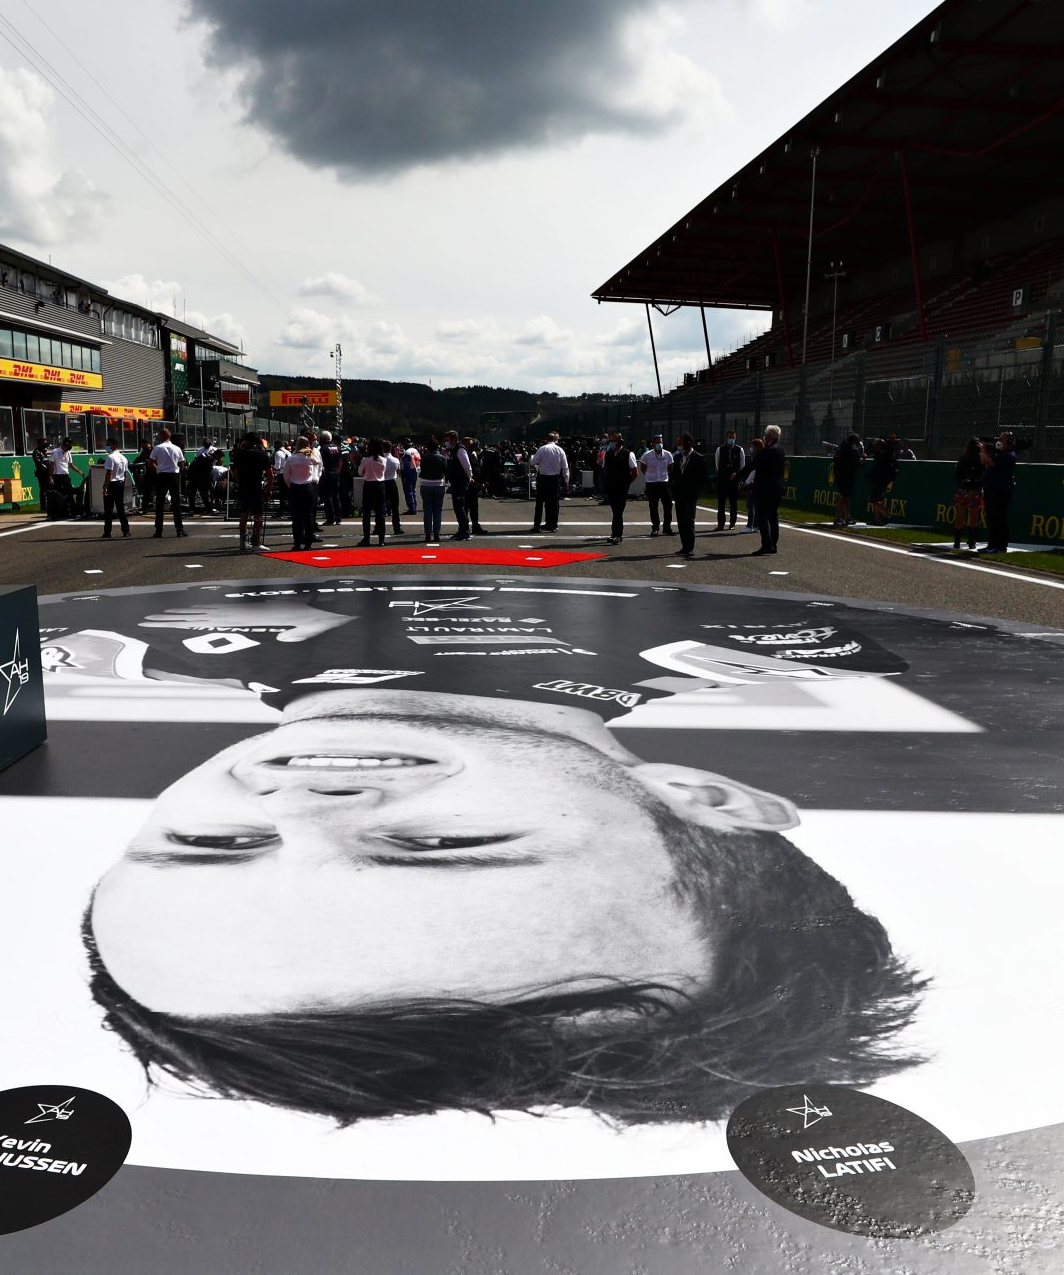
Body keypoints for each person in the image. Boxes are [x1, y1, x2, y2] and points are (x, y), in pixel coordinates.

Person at [69, 584, 920, 1125]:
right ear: (705, 799)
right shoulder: (790, 638)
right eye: (440, 846)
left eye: (211, 845)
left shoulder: (87, 641)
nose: (301, 809)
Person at [229, 432, 272, 553]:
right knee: (258, 515)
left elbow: (235, 471)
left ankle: (243, 542)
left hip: (244, 487)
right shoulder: (261, 454)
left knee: (244, 515)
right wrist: (269, 489)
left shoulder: (239, 454)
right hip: (256, 487)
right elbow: (270, 474)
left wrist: (239, 483)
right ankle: (256, 542)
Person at [976, 429, 1018, 554]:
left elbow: (985, 461)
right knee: (992, 518)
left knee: (999, 518)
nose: (999, 441)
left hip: (1000, 491)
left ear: (1008, 442)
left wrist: (983, 450)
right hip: (992, 489)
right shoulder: (999, 453)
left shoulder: (1008, 455)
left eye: (1002, 439)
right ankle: (992, 544)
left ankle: (1000, 546)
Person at [597, 430, 637, 545]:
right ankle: (617, 534)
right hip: (611, 486)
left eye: (613, 441)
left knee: (618, 511)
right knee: (615, 510)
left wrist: (626, 483)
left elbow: (634, 472)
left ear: (620, 442)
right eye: (611, 441)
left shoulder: (628, 454)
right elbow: (605, 469)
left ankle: (616, 534)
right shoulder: (608, 454)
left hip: (622, 487)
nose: (611, 443)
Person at [750, 425, 784, 556]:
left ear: (769, 436)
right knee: (773, 516)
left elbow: (754, 465)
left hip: (765, 489)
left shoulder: (767, 451)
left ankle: (766, 544)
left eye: (766, 435)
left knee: (762, 517)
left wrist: (737, 475)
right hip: (777, 488)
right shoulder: (780, 449)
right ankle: (773, 544)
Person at [283, 437, 322, 551]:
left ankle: (298, 543)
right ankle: (308, 542)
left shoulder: (291, 458)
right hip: (308, 487)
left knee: (296, 518)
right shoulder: (309, 457)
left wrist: (291, 485)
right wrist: (311, 451)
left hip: (295, 487)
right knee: (308, 516)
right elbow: (318, 461)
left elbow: (286, 475)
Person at [147, 427, 187, 538]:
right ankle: (179, 529)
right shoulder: (177, 448)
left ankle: (158, 530)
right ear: (169, 436)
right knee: (176, 504)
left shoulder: (157, 448)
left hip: (161, 475)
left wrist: (158, 469)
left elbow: (150, 463)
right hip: (173, 475)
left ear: (162, 436)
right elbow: (181, 464)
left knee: (159, 504)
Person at [672, 434, 707, 559]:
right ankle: (684, 546)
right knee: (681, 521)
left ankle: (690, 547)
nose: (679, 445)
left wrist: (696, 490)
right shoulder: (677, 457)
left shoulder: (698, 458)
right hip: (679, 493)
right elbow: (674, 474)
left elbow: (702, 477)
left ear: (688, 443)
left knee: (689, 520)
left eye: (681, 443)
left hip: (690, 494)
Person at [529, 432, 569, 533]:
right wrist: (566, 480)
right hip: (555, 479)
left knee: (539, 503)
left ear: (546, 439)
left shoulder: (542, 449)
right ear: (555, 440)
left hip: (543, 478)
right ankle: (553, 525)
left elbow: (532, 462)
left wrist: (532, 457)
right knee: (554, 503)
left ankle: (537, 525)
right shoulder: (560, 450)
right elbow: (565, 467)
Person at [951, 437, 986, 552]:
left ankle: (957, 541)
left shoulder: (963, 458)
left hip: (963, 490)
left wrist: (963, 482)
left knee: (960, 515)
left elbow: (957, 475)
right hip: (975, 489)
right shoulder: (981, 458)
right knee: (974, 516)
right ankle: (972, 542)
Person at [415, 438, 449, 545]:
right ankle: (437, 534)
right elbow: (446, 471)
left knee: (427, 510)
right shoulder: (442, 458)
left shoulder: (423, 458)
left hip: (425, 484)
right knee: (437, 510)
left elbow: (420, 470)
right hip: (438, 484)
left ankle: (428, 534)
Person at [355, 441, 388, 547]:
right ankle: (381, 539)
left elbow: (360, 472)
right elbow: (384, 471)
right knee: (380, 513)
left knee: (367, 513)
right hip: (380, 485)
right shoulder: (383, 459)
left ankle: (366, 538)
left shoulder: (366, 460)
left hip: (368, 485)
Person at [640, 435, 673, 537]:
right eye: (657, 442)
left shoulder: (668, 454)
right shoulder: (647, 455)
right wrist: (651, 476)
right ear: (653, 443)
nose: (659, 444)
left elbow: (671, 468)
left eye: (661, 442)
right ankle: (655, 527)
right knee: (653, 506)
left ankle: (667, 527)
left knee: (668, 506)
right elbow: (643, 468)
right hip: (651, 483)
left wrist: (665, 477)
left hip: (664, 483)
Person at [97, 442, 132, 538]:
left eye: (108, 444)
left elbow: (109, 473)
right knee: (120, 508)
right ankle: (126, 530)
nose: (106, 446)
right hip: (120, 483)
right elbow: (125, 474)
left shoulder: (110, 457)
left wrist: (105, 486)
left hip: (112, 484)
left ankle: (107, 532)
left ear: (113, 446)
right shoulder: (123, 458)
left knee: (108, 509)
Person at [713, 431, 745, 530]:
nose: (731, 439)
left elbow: (742, 465)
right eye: (730, 437)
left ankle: (732, 523)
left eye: (733, 437)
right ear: (726, 438)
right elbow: (717, 465)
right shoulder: (720, 449)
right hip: (722, 480)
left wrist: (737, 475)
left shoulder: (739, 449)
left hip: (734, 480)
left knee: (733, 503)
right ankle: (720, 524)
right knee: (721, 503)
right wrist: (723, 474)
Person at [444, 431, 472, 541]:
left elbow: (466, 464)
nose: (446, 442)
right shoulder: (454, 450)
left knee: (460, 507)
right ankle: (462, 529)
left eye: (448, 440)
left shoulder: (460, 449)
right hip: (457, 481)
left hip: (461, 481)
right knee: (459, 507)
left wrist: (469, 477)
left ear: (454, 439)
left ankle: (465, 531)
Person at [831, 433, 864, 526]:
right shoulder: (853, 449)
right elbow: (857, 462)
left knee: (845, 497)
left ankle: (847, 517)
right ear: (855, 440)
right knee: (844, 497)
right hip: (847, 476)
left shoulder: (841, 448)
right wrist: (862, 459)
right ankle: (838, 518)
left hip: (839, 475)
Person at [866, 434, 899, 526]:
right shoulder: (881, 454)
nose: (874, 446)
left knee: (875, 500)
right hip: (878, 480)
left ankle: (887, 516)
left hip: (880, 480)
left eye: (876, 445)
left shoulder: (882, 455)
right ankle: (877, 519)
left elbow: (879, 469)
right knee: (875, 499)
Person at [318, 431, 344, 526]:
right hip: (336, 473)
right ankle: (338, 518)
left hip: (327, 473)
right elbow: (340, 461)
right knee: (336, 496)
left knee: (327, 496)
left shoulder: (323, 449)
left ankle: (330, 518)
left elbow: (320, 462)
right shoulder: (337, 447)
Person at [400, 440, 420, 515]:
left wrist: (404, 476)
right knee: (413, 490)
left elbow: (406, 465)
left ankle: (411, 508)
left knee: (408, 490)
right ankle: (414, 506)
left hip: (409, 472)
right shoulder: (416, 451)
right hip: (415, 471)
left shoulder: (407, 453)